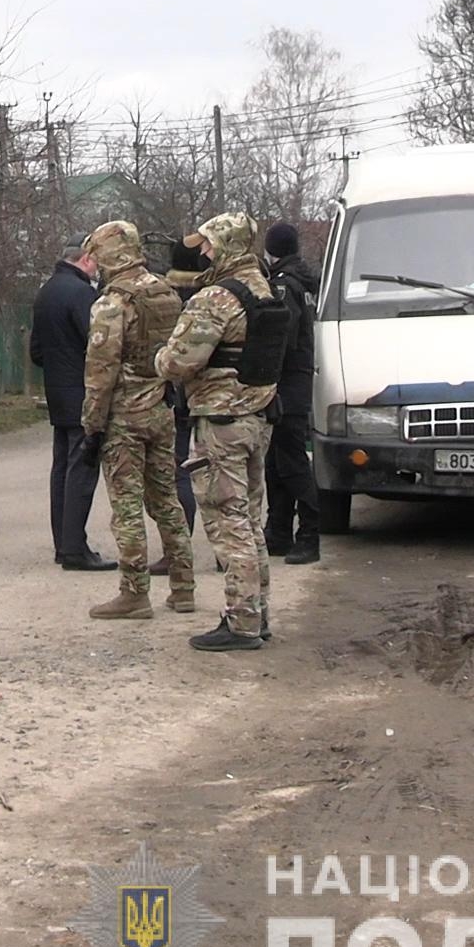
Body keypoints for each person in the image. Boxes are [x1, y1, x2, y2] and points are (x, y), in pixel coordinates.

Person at [158, 213, 280, 652]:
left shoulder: (217, 298)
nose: (203, 252)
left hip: (221, 422)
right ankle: (258, 611)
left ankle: (242, 621)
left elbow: (180, 362)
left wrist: (161, 358)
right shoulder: (265, 289)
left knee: (228, 523)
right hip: (258, 416)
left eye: (209, 244)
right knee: (250, 520)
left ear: (226, 246)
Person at [79, 220, 194, 619]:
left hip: (124, 417)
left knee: (126, 506)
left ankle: (134, 592)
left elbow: (100, 372)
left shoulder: (113, 303)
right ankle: (183, 586)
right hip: (162, 410)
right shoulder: (166, 293)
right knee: (166, 499)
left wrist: (91, 425)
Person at [31, 239, 115, 571]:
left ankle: (63, 544)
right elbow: (98, 343)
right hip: (83, 391)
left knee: (62, 469)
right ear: (85, 260)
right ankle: (74, 548)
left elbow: (36, 352)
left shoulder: (46, 291)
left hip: (57, 391)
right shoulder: (83, 294)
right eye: (96, 262)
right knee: (82, 468)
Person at [262, 222, 322, 566]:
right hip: (294, 380)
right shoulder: (303, 280)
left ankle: (309, 535)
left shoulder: (285, 286)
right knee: (276, 461)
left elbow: (282, 338)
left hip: (288, 382)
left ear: (272, 250)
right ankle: (279, 531)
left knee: (293, 462)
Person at [154, 239, 215, 572]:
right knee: (220, 470)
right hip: (213, 395)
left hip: (175, 393)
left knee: (177, 470)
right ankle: (226, 553)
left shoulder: (164, 297)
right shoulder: (219, 296)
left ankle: (176, 551)